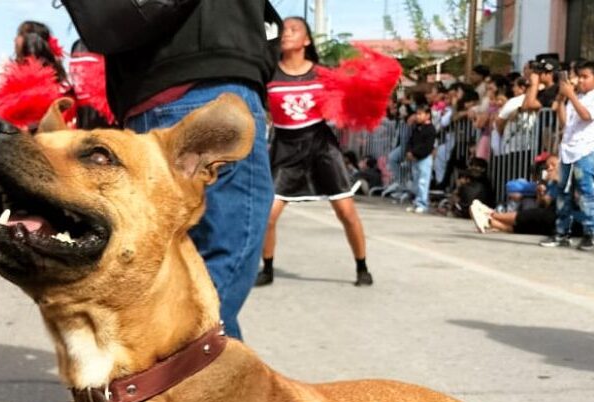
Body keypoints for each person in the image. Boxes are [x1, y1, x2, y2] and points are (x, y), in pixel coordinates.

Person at [69, 0, 278, 339]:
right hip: (210, 83)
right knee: (222, 264)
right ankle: (158, 360)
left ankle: (153, 358)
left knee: (163, 266)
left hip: (144, 102)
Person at [255, 16, 374, 288]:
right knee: (268, 215)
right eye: (283, 30)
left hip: (321, 147)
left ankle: (362, 267)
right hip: (285, 148)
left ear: (307, 40)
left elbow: (349, 101)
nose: (287, 33)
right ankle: (267, 268)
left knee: (346, 212)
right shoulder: (268, 74)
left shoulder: (323, 75)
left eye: (294, 29)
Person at [539, 60, 594, 251]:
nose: (581, 81)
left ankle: (591, 233)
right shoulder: (576, 97)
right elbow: (565, 123)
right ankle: (562, 232)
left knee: (586, 191)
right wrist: (562, 99)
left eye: (586, 77)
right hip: (568, 150)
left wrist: (571, 96)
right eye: (579, 77)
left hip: (584, 150)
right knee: (563, 191)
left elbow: (586, 115)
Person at [471, 154, 560, 235]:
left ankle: (489, 214)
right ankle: (489, 221)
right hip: (551, 217)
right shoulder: (550, 184)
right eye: (547, 166)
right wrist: (540, 194)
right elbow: (545, 204)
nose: (549, 168)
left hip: (558, 217)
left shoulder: (564, 183)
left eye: (553, 165)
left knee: (541, 216)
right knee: (536, 221)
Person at [406, 104, 436, 214]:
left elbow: (427, 147)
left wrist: (414, 153)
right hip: (415, 159)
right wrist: (409, 151)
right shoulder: (417, 128)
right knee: (416, 182)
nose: (417, 116)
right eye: (417, 114)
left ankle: (422, 204)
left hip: (424, 159)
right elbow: (411, 141)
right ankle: (416, 202)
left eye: (420, 114)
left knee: (423, 182)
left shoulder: (430, 129)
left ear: (428, 115)